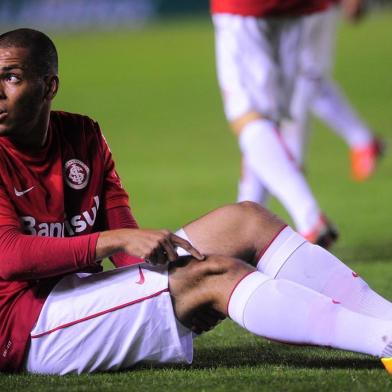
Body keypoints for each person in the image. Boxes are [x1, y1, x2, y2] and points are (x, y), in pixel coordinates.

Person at [2, 28, 392, 376]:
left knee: (247, 219)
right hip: (27, 326)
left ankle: (388, 320)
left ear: (49, 86)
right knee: (215, 275)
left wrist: (169, 278)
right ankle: (384, 342)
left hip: (82, 290)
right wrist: (128, 248)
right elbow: (9, 256)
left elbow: (127, 249)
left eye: (12, 77)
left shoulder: (82, 134)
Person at [210, 0, 338, 246]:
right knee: (267, 121)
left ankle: (309, 217)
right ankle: (244, 230)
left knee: (247, 116)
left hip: (245, 8)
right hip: (296, 9)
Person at [281, 0, 383, 181]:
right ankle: (364, 140)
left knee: (305, 75)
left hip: (314, 7)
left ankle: (292, 158)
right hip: (288, 9)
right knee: (308, 77)